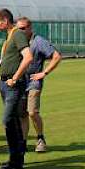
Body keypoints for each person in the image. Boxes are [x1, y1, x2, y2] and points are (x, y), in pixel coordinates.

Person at [0, 7, 33, 169]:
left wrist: (15, 77)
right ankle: (15, 159)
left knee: (8, 120)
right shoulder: (9, 36)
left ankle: (16, 158)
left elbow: (28, 56)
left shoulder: (17, 34)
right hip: (5, 83)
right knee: (13, 120)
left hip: (13, 85)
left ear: (5, 20)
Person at [16, 17, 62, 153]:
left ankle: (40, 138)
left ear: (30, 28)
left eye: (23, 28)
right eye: (18, 28)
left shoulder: (38, 41)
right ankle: (23, 142)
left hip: (33, 81)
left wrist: (44, 72)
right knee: (22, 114)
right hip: (19, 81)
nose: (21, 31)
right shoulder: (16, 40)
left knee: (32, 112)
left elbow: (56, 56)